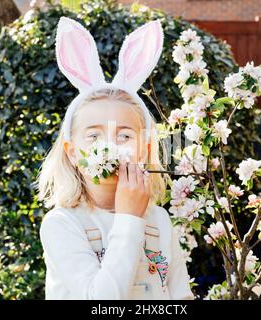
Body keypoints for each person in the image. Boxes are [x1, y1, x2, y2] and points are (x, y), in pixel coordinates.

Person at [36, 16, 194, 300]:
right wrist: (129, 218)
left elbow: (179, 296)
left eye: (124, 136)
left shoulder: (158, 220)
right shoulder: (62, 224)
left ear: (145, 149)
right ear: (72, 152)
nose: (109, 147)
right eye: (94, 136)